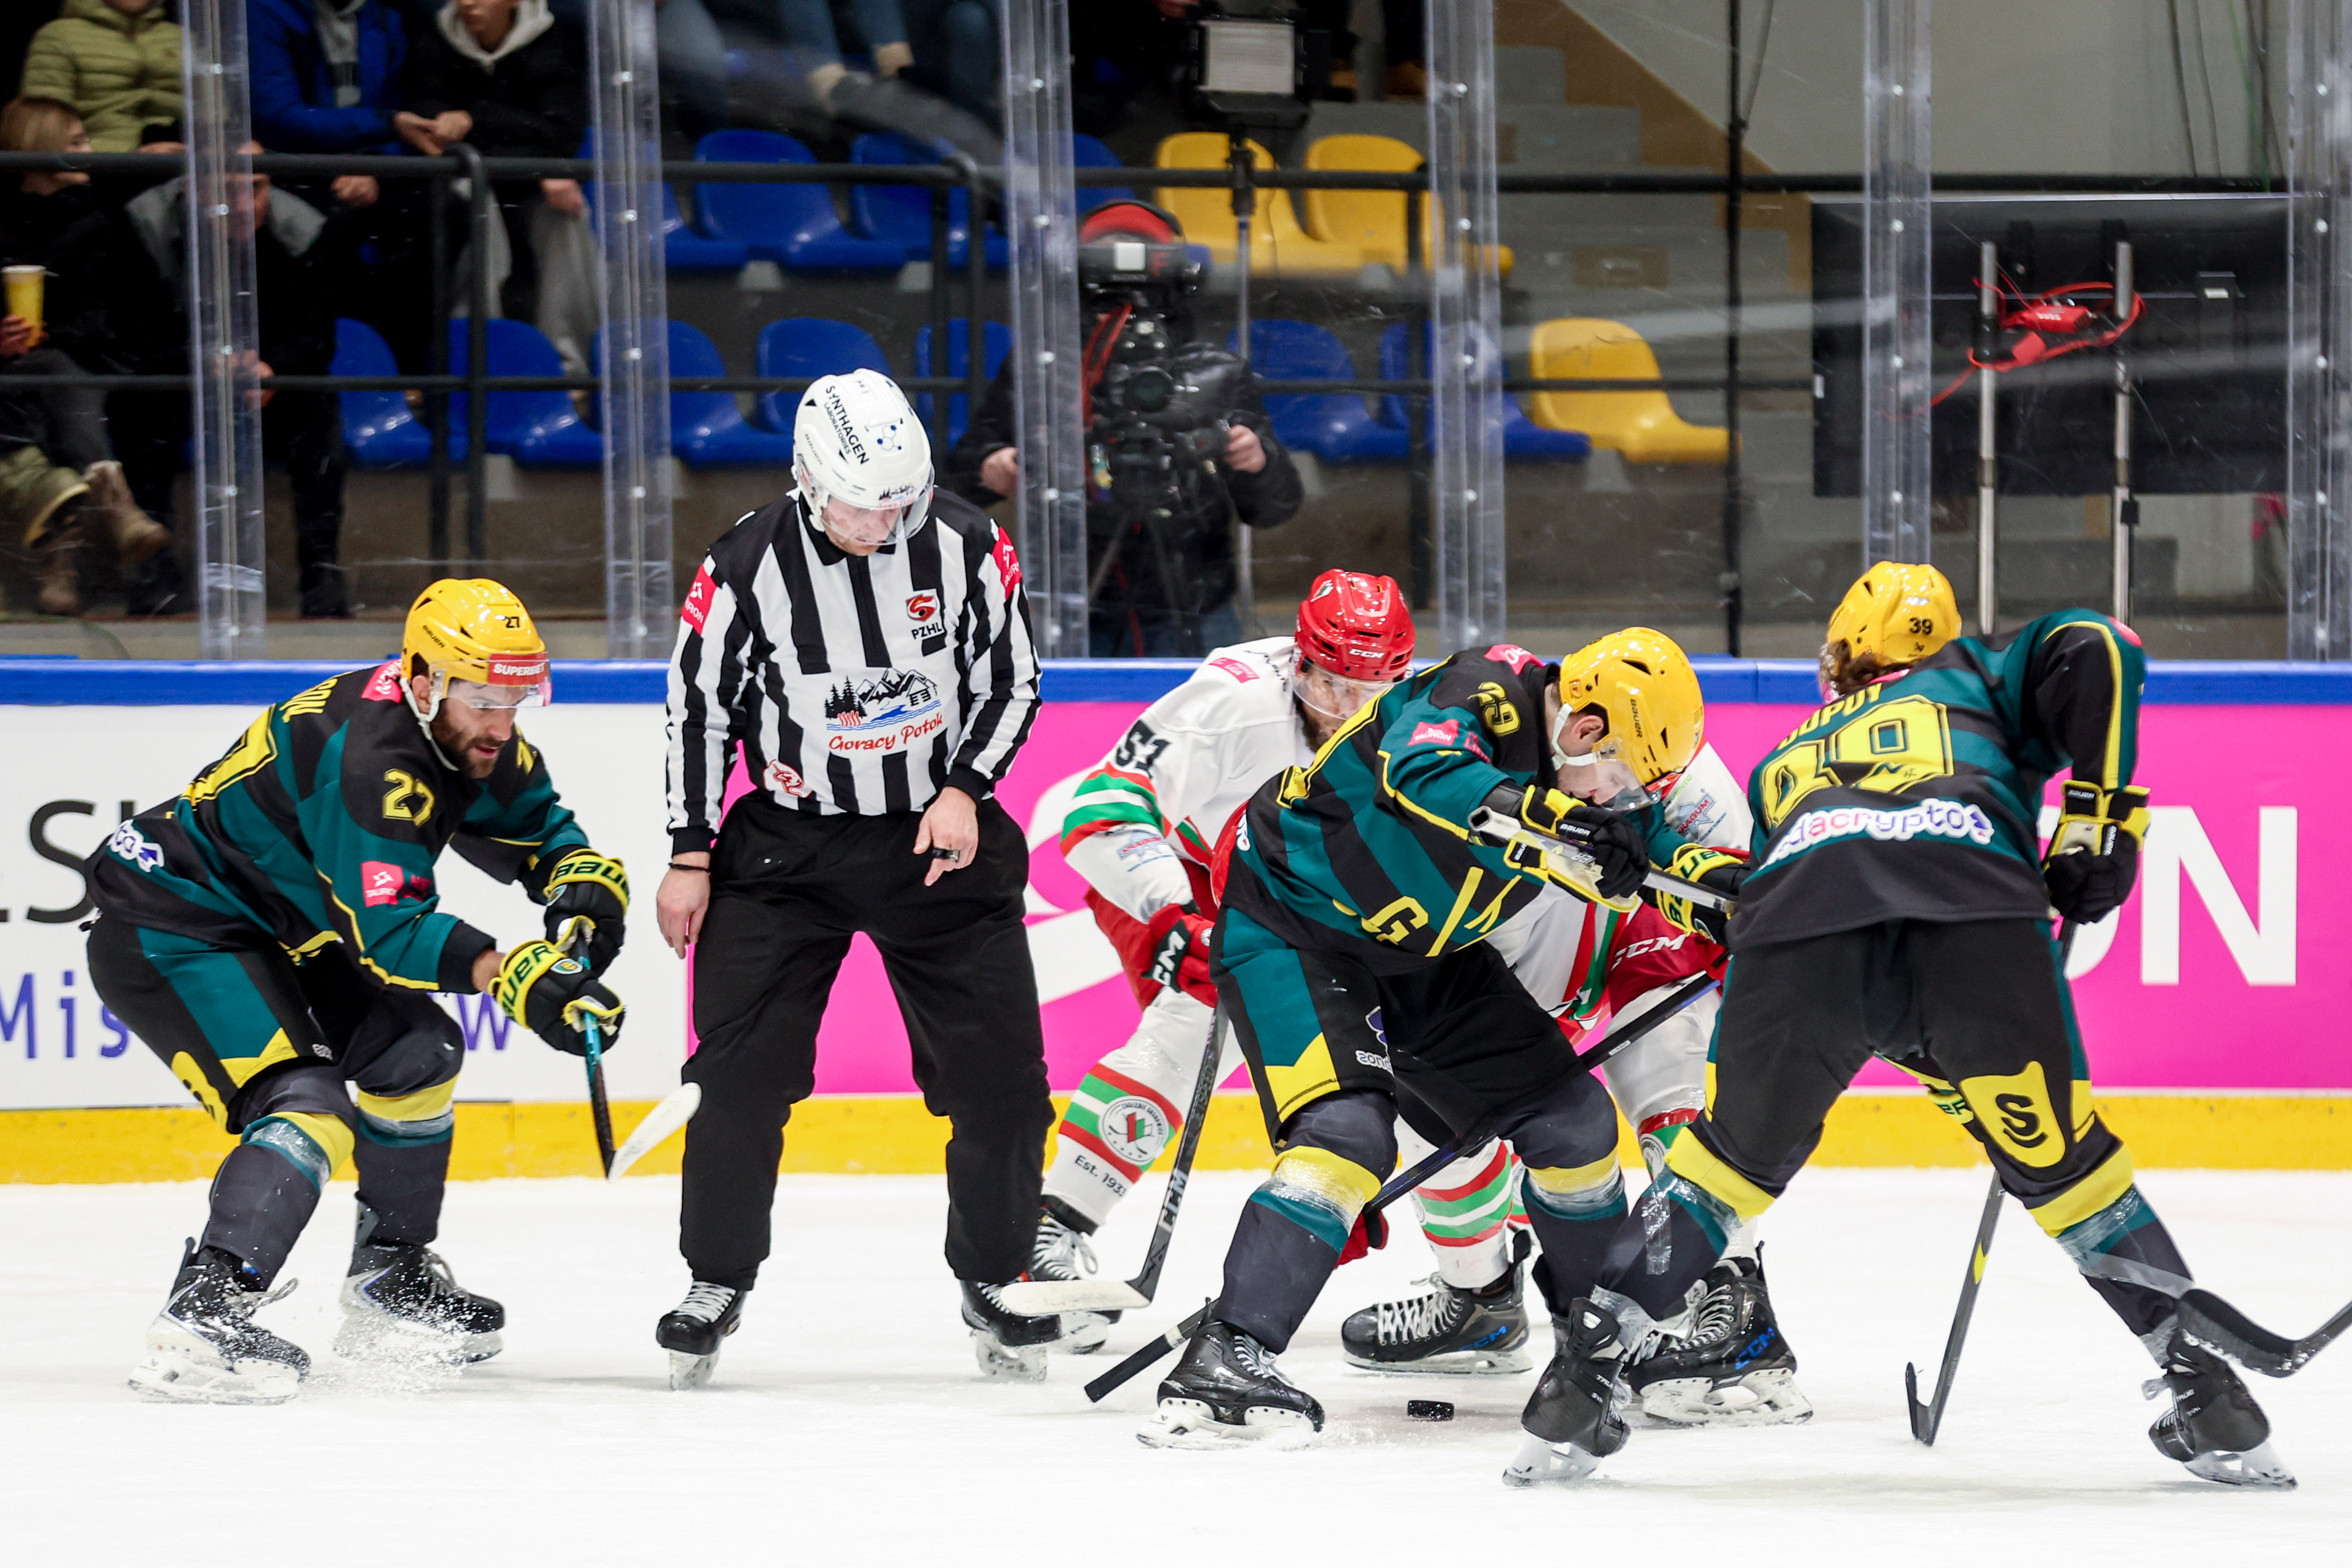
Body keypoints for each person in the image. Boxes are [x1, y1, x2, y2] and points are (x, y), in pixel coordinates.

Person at [1508, 564, 2295, 1490]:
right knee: (2071, 1171)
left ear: (1842, 655)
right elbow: (2099, 644)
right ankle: (2208, 1389)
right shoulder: (1977, 677)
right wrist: (2100, 819)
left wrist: (1648, 860)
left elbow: (1754, 897)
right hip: (1974, 931)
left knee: (1716, 1175)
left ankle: (1578, 1384)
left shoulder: (1786, 757)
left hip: (1800, 947)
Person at [86, 579, 630, 1404]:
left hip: (285, 933)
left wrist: (577, 880)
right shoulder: (371, 757)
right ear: (424, 681)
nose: (502, 723)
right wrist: (511, 974)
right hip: (177, 926)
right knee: (308, 1104)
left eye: (517, 700)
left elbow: (533, 827)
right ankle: (206, 1311)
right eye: (486, 701)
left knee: (418, 1053)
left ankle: (388, 1275)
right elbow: (390, 935)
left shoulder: (465, 732)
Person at [1139, 633, 1654, 1446]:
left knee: (1576, 1124)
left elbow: (1652, 864)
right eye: (1617, 774)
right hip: (1292, 928)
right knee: (1345, 1137)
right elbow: (1423, 770)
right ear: (1586, 729)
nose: (1614, 798)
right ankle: (1225, 1356)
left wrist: (1747, 901)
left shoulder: (1579, 783)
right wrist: (1562, 819)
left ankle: (1596, 1350)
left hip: (1425, 956)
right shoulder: (1485, 687)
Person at [657, 369, 1055, 1389]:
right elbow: (700, 711)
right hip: (787, 852)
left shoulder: (968, 541)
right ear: (808, 479)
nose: (885, 521)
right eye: (863, 504)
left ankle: (997, 1272)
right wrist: (690, 852)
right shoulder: (745, 563)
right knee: (738, 1076)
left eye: (901, 501)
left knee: (1003, 1079)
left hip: (939, 840)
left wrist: (966, 788)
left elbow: (1011, 678)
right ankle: (716, 1278)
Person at [1334, 629, 1811, 1427]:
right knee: (1429, 1110)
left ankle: (1731, 1300)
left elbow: (1735, 912)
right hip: (1505, 958)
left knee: (1670, 1075)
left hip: (1640, 938)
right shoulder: (1499, 749)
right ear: (1581, 725)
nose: (1629, 790)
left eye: (1649, 779)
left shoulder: (1694, 789)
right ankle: (1480, 1298)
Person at [1037, 570, 1416, 1343]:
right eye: (1332, 683)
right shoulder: (1233, 704)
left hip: (1298, 893)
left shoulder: (1417, 724)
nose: (1347, 707)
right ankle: (1047, 1233)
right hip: (1179, 879)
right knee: (1190, 1028)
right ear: (1301, 660)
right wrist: (1175, 918)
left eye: (1369, 691)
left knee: (1407, 1051)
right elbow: (1101, 811)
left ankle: (1480, 1282)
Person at [942, 199, 1303, 657]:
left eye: (1140, 291)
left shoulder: (1215, 372)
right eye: (1106, 291)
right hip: (1078, 603)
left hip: (1194, 601)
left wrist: (1257, 461)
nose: (1124, 308)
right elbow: (959, 480)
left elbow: (1274, 509)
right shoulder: (1045, 368)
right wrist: (994, 467)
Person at [117, 140, 355, 617]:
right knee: (140, 407)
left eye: (257, 188)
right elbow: (133, 332)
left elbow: (316, 332)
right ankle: (154, 568)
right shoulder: (147, 224)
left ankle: (322, 570)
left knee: (317, 407)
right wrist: (204, 363)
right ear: (192, 189)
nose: (246, 205)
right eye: (228, 191)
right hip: (183, 379)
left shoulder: (304, 227)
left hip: (266, 382)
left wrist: (273, 369)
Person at [0, 95, 170, 615]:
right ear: (39, 148)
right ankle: (117, 508)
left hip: (89, 358)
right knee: (44, 386)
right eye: (75, 142)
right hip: (18, 365)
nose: (90, 152)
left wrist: (53, 333)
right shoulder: (5, 223)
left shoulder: (104, 221)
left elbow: (126, 314)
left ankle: (62, 566)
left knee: (56, 380)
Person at [401, 0, 595, 368]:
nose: (468, 3)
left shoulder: (558, 42)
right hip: (464, 182)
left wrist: (476, 119)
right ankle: (476, 361)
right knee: (471, 202)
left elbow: (561, 133)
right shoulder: (431, 40)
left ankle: (566, 366)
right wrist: (524, 146)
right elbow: (433, 130)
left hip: (526, 182)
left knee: (568, 211)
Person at [19, 0, 182, 154]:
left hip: (183, 159)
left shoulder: (182, 38)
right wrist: (131, 158)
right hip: (97, 164)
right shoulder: (60, 36)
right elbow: (44, 132)